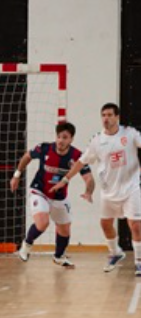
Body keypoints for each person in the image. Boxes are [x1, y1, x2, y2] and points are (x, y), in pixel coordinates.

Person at [52, 103, 141, 275]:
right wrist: (65, 179)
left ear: (117, 117)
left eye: (109, 115)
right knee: (105, 224)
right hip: (108, 191)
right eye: (103, 115)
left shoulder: (129, 134)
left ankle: (139, 262)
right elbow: (81, 162)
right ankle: (115, 252)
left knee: (135, 225)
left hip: (131, 188)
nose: (106, 118)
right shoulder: (97, 140)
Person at [11, 122, 94, 267]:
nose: (61, 140)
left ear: (71, 139)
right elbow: (27, 156)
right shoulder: (44, 148)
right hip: (39, 191)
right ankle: (26, 245)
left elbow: (89, 178)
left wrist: (88, 191)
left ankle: (59, 257)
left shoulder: (77, 156)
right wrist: (17, 175)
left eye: (65, 137)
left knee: (65, 230)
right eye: (59, 137)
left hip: (60, 196)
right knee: (42, 223)